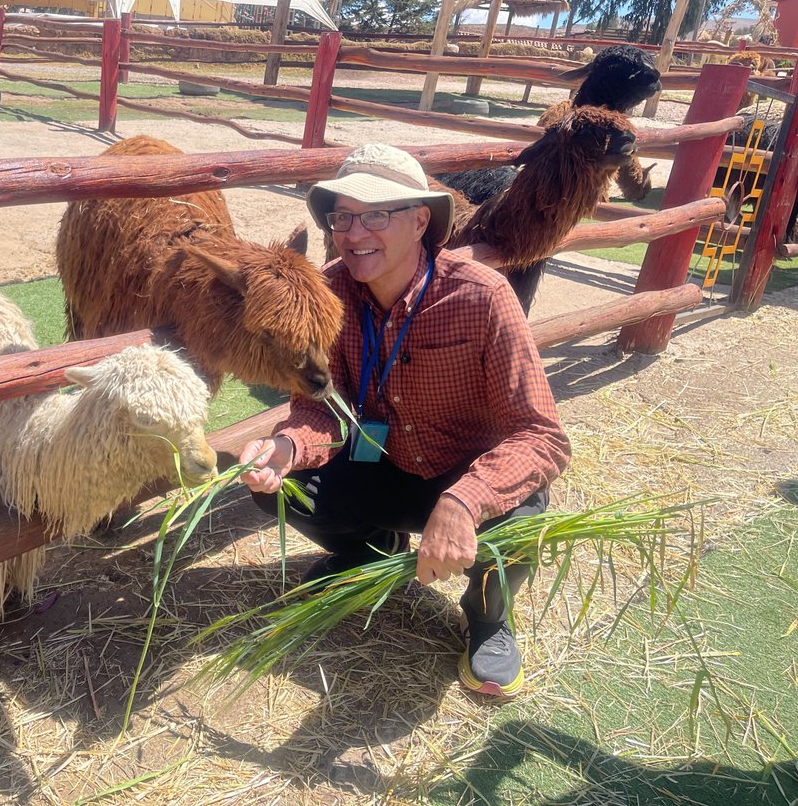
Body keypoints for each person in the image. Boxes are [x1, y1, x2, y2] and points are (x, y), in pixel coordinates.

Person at [238, 143, 571, 697]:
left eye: (374, 214)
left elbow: (542, 436)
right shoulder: (332, 294)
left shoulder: (482, 296)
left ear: (420, 221)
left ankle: (488, 619)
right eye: (341, 216)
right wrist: (288, 448)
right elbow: (324, 407)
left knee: (520, 523)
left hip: (466, 477)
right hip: (385, 463)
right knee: (281, 489)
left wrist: (466, 499)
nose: (352, 232)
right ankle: (370, 552)